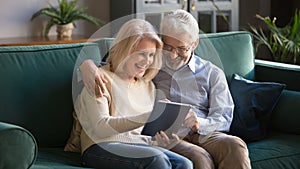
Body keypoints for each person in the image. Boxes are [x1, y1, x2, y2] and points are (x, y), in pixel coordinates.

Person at [80, 10, 251, 169]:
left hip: (204, 132)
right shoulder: (150, 63)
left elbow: (223, 117)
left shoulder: (211, 73)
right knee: (198, 157)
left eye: (181, 48)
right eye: (168, 47)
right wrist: (87, 66)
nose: (173, 55)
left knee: (235, 146)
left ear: (194, 43)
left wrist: (199, 123)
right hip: (169, 134)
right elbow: (117, 66)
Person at [75, 18, 193, 169]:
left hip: (138, 146)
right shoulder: (99, 78)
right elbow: (100, 127)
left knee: (185, 164)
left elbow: (140, 134)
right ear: (125, 51)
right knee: (157, 159)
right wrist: (148, 116)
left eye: (151, 55)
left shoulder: (148, 85)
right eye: (142, 54)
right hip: (99, 146)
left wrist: (158, 140)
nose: (147, 61)